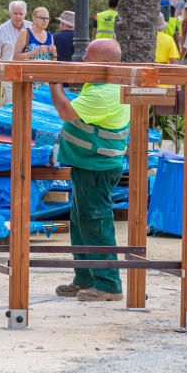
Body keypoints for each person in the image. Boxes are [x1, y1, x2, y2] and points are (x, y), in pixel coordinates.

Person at [47, 38, 129, 301]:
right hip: (89, 164)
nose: (82, 60)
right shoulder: (102, 85)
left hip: (97, 167)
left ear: (104, 63)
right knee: (81, 222)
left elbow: (65, 111)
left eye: (87, 56)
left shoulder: (104, 93)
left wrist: (53, 82)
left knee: (96, 221)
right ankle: (85, 278)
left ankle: (108, 284)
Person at [0, 0, 28, 104]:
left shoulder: (32, 27)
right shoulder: (2, 30)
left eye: (21, 14)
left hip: (29, 76)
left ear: (25, 14)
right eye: (15, 13)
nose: (18, 17)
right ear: (10, 13)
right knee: (11, 107)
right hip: (9, 75)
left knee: (30, 108)